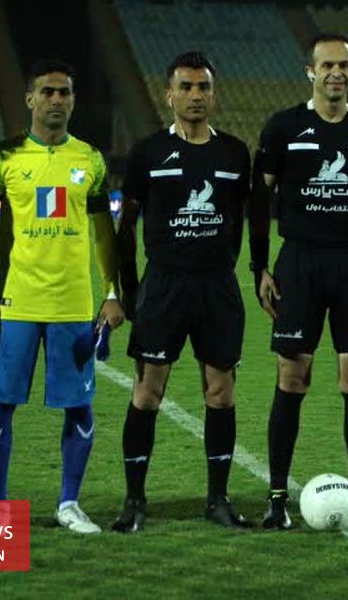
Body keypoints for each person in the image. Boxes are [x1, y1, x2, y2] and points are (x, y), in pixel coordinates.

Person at [251, 33, 348, 530]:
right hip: (300, 262)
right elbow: (258, 200)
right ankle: (276, 498)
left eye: (344, 65)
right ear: (310, 72)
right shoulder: (284, 127)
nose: (336, 73)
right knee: (292, 376)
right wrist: (259, 266)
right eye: (327, 65)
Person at [0, 59, 124, 534]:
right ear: (30, 99)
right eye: (48, 92)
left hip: (73, 306)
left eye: (65, 92)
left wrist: (112, 291)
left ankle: (69, 503)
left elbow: (104, 233)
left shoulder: (90, 160)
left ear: (73, 100)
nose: (57, 100)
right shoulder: (3, 156)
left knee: (79, 406)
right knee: (0, 404)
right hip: (15, 304)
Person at [112, 52, 252, 533]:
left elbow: (242, 220)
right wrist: (129, 288)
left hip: (217, 286)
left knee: (221, 392)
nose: (196, 95)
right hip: (164, 286)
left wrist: (228, 265)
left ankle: (218, 499)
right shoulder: (148, 153)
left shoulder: (234, 154)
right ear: (168, 94)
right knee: (147, 392)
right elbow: (126, 228)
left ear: (214, 94)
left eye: (204, 87)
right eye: (187, 87)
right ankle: (134, 501)